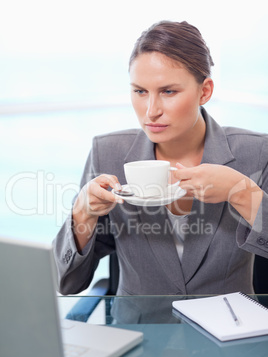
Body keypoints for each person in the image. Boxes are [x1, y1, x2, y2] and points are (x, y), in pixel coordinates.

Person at [53, 20, 268, 296]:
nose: (151, 111)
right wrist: (83, 212)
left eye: (168, 91)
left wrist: (241, 193)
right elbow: (67, 282)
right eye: (140, 91)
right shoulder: (108, 153)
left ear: (205, 91)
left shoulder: (255, 152)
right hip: (140, 334)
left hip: (228, 331)